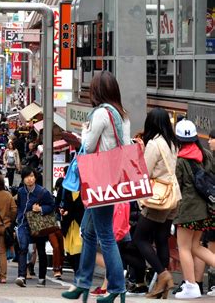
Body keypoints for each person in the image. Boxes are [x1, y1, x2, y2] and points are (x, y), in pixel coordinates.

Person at [62, 71, 130, 303]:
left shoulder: (100, 114)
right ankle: (82, 283)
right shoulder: (122, 115)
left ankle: (117, 287)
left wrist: (83, 131)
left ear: (97, 91)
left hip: (100, 180)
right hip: (112, 180)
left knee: (105, 235)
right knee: (88, 232)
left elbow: (89, 146)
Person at [133, 107, 181, 298]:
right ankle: (162, 289)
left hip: (158, 199)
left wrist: (142, 151)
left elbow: (145, 171)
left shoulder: (154, 144)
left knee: (139, 239)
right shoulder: (173, 143)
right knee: (161, 239)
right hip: (173, 196)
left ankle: (163, 275)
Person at [173, 119, 215, 300]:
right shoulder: (206, 154)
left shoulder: (180, 160)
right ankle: (191, 286)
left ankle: (191, 286)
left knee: (183, 247)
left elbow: (177, 185)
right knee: (195, 246)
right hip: (205, 209)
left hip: (188, 209)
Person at [15, 166, 55, 288]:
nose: (29, 179)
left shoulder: (43, 192)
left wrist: (41, 209)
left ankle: (42, 278)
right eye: (27, 176)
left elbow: (52, 205)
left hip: (38, 224)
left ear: (35, 178)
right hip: (23, 224)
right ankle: (22, 276)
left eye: (32, 176)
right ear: (23, 179)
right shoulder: (21, 191)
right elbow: (20, 206)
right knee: (22, 248)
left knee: (41, 250)